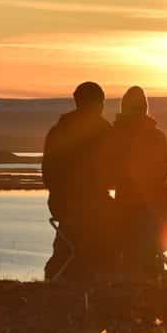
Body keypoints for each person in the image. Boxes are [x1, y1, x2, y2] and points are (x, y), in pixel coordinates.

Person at [41, 81, 113, 279]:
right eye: (101, 103)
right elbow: (114, 173)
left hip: (61, 204)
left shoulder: (58, 130)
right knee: (121, 219)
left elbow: (48, 173)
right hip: (92, 204)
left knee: (71, 236)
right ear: (98, 104)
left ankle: (60, 273)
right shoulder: (104, 131)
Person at [102, 85, 167, 273]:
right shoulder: (157, 136)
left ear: (123, 109)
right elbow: (163, 173)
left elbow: (109, 174)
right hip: (156, 207)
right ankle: (150, 271)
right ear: (145, 108)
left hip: (127, 206)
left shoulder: (115, 136)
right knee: (147, 245)